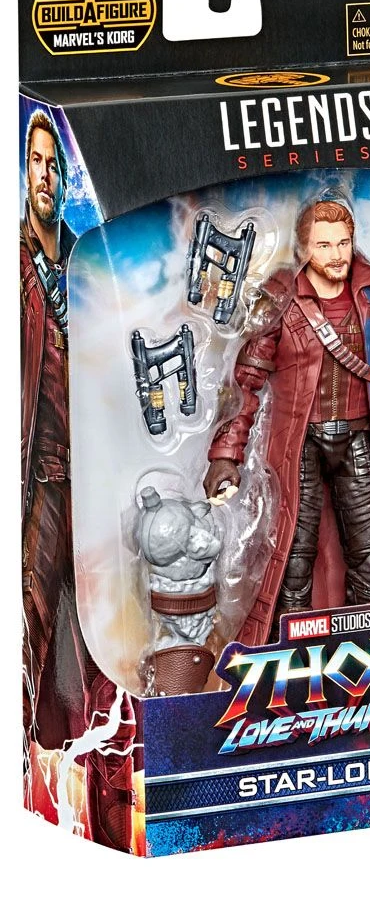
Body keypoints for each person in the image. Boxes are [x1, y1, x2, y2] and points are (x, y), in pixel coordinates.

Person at [204, 198, 370, 645]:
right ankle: (288, 645)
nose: (336, 254)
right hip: (299, 447)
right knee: (292, 553)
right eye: (324, 245)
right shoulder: (280, 303)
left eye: (343, 243)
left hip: (359, 441)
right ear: (304, 248)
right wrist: (226, 456)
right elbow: (245, 385)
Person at [21, 108, 135, 851]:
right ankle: (39, 786)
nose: (44, 175)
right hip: (38, 480)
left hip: (96, 476)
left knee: (103, 643)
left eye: (52, 163)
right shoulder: (16, 264)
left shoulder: (85, 263)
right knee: (33, 630)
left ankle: (107, 805)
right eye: (34, 161)